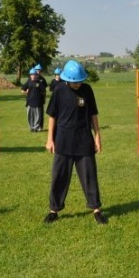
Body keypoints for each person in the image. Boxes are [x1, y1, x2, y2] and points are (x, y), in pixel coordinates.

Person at [44, 59, 107, 225]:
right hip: (63, 141)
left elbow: (93, 114)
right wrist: (50, 139)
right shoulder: (58, 90)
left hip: (84, 140)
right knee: (59, 176)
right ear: (68, 79)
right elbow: (52, 116)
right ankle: (53, 210)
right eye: (75, 82)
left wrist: (97, 136)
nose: (78, 84)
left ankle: (96, 209)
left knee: (89, 176)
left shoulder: (87, 90)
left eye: (80, 81)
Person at [21, 67, 47, 132]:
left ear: (36, 76)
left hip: (37, 102)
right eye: (32, 75)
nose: (33, 76)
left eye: (34, 75)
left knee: (37, 116)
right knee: (30, 116)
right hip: (29, 102)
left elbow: (43, 91)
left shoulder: (39, 83)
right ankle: (31, 127)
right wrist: (25, 92)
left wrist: (42, 99)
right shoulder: (28, 81)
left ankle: (36, 127)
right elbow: (22, 90)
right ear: (30, 75)